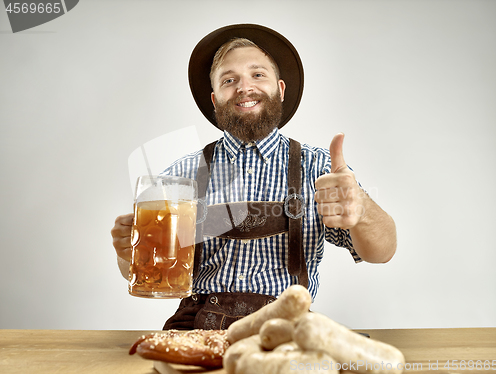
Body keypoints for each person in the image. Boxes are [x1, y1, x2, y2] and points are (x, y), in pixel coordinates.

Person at [111, 24, 397, 330]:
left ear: (280, 89)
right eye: (229, 80)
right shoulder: (181, 177)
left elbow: (382, 252)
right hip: (195, 325)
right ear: (215, 99)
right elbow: (152, 272)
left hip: (285, 326)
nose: (244, 88)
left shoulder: (320, 168)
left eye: (258, 75)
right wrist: (128, 254)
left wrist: (362, 209)